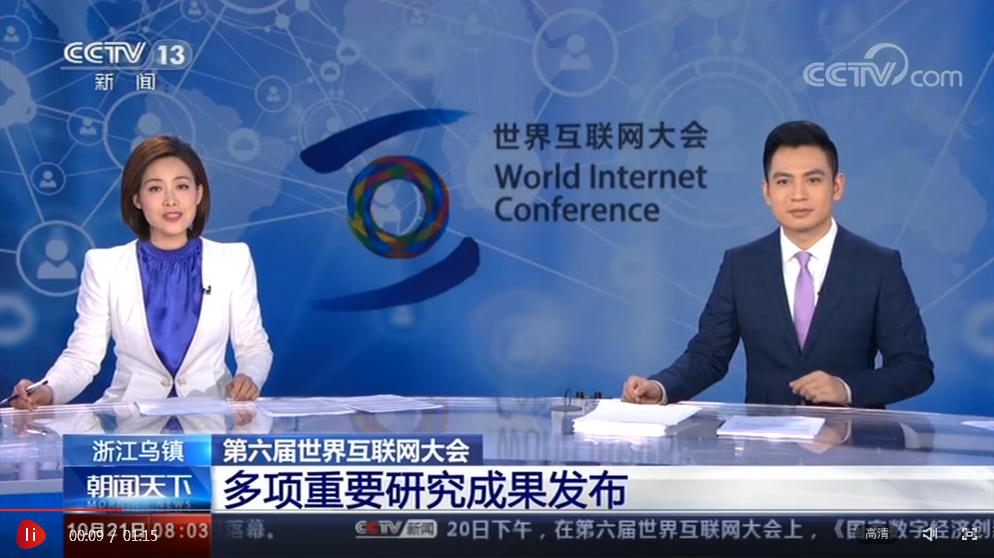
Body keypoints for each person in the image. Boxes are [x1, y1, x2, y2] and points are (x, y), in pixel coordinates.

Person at [622, 121, 933, 409]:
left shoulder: (878, 266)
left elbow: (914, 367)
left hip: (851, 441)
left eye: (813, 180)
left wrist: (846, 388)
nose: (798, 195)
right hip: (764, 441)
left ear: (837, 187)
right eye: (784, 181)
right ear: (767, 192)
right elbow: (708, 355)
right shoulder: (740, 266)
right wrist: (661, 387)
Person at [9, 135, 273, 409]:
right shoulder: (104, 266)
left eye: (182, 186)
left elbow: (253, 346)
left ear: (198, 193)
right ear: (136, 198)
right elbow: (83, 356)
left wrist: (249, 377)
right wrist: (47, 390)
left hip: (210, 417)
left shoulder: (232, 260)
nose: (171, 200)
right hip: (130, 420)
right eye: (156, 188)